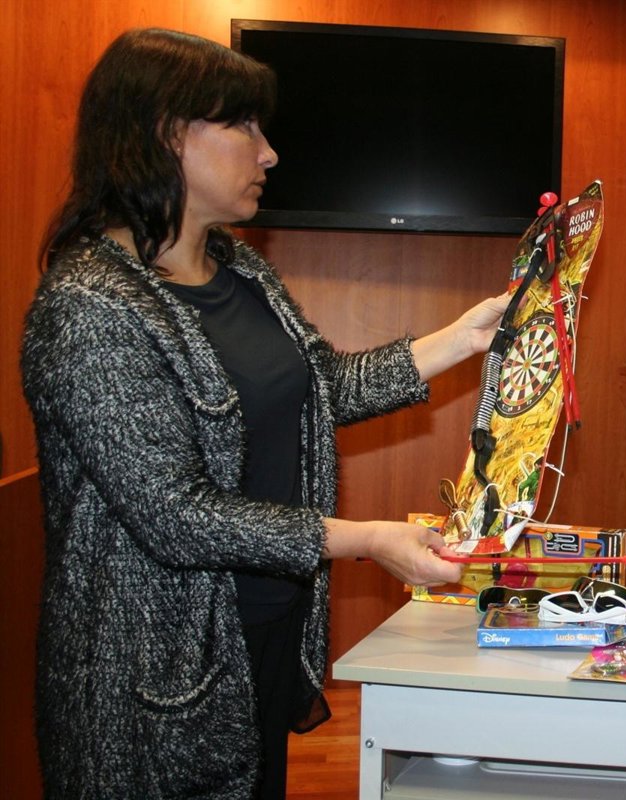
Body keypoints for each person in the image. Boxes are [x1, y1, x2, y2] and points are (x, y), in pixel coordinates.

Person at [21, 28, 510, 799]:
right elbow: (175, 514)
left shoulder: (242, 269)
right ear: (166, 133)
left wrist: (462, 339)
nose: (269, 152)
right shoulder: (89, 305)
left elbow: (319, 389)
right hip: (151, 675)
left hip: (267, 629)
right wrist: (365, 539)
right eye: (243, 126)